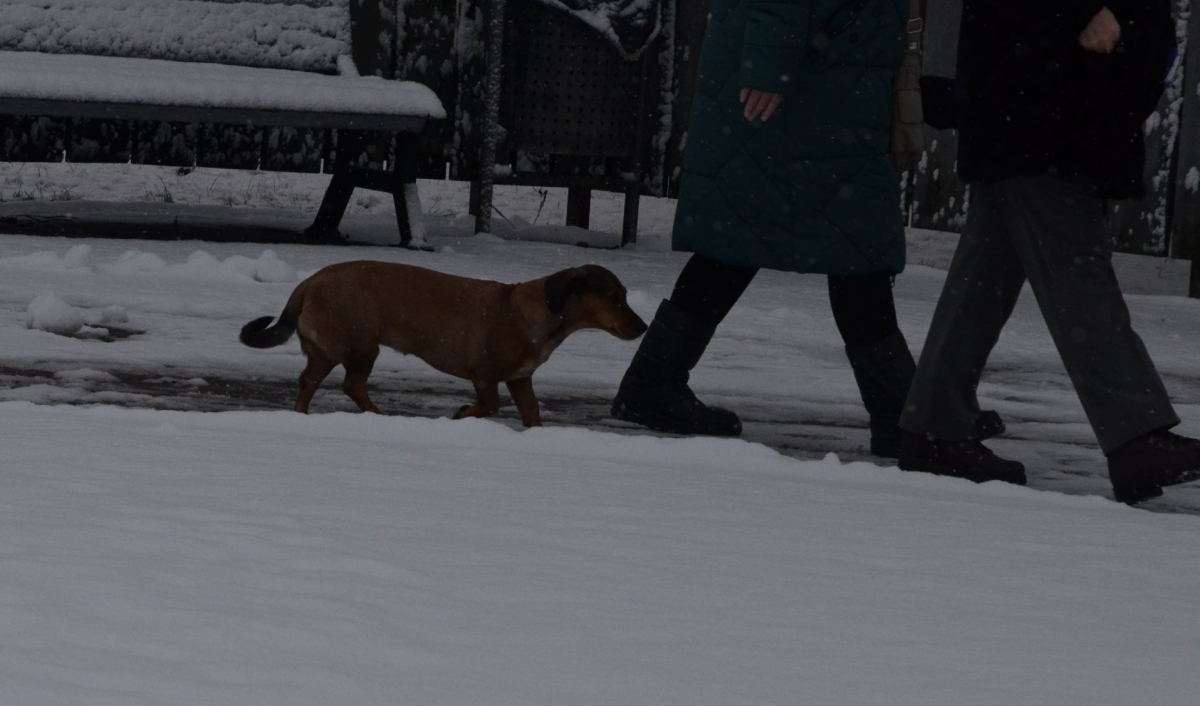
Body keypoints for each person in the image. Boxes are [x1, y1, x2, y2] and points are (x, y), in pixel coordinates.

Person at [610, 0, 1001, 457]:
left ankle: (653, 383)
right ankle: (901, 418)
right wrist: (770, 59)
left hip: (824, 65)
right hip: (809, 72)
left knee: (757, 229)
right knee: (846, 239)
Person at [898, 0, 1200, 503]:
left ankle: (935, 427)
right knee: (1079, 278)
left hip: (1034, 110)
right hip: (1045, 112)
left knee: (983, 280)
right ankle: (1136, 436)